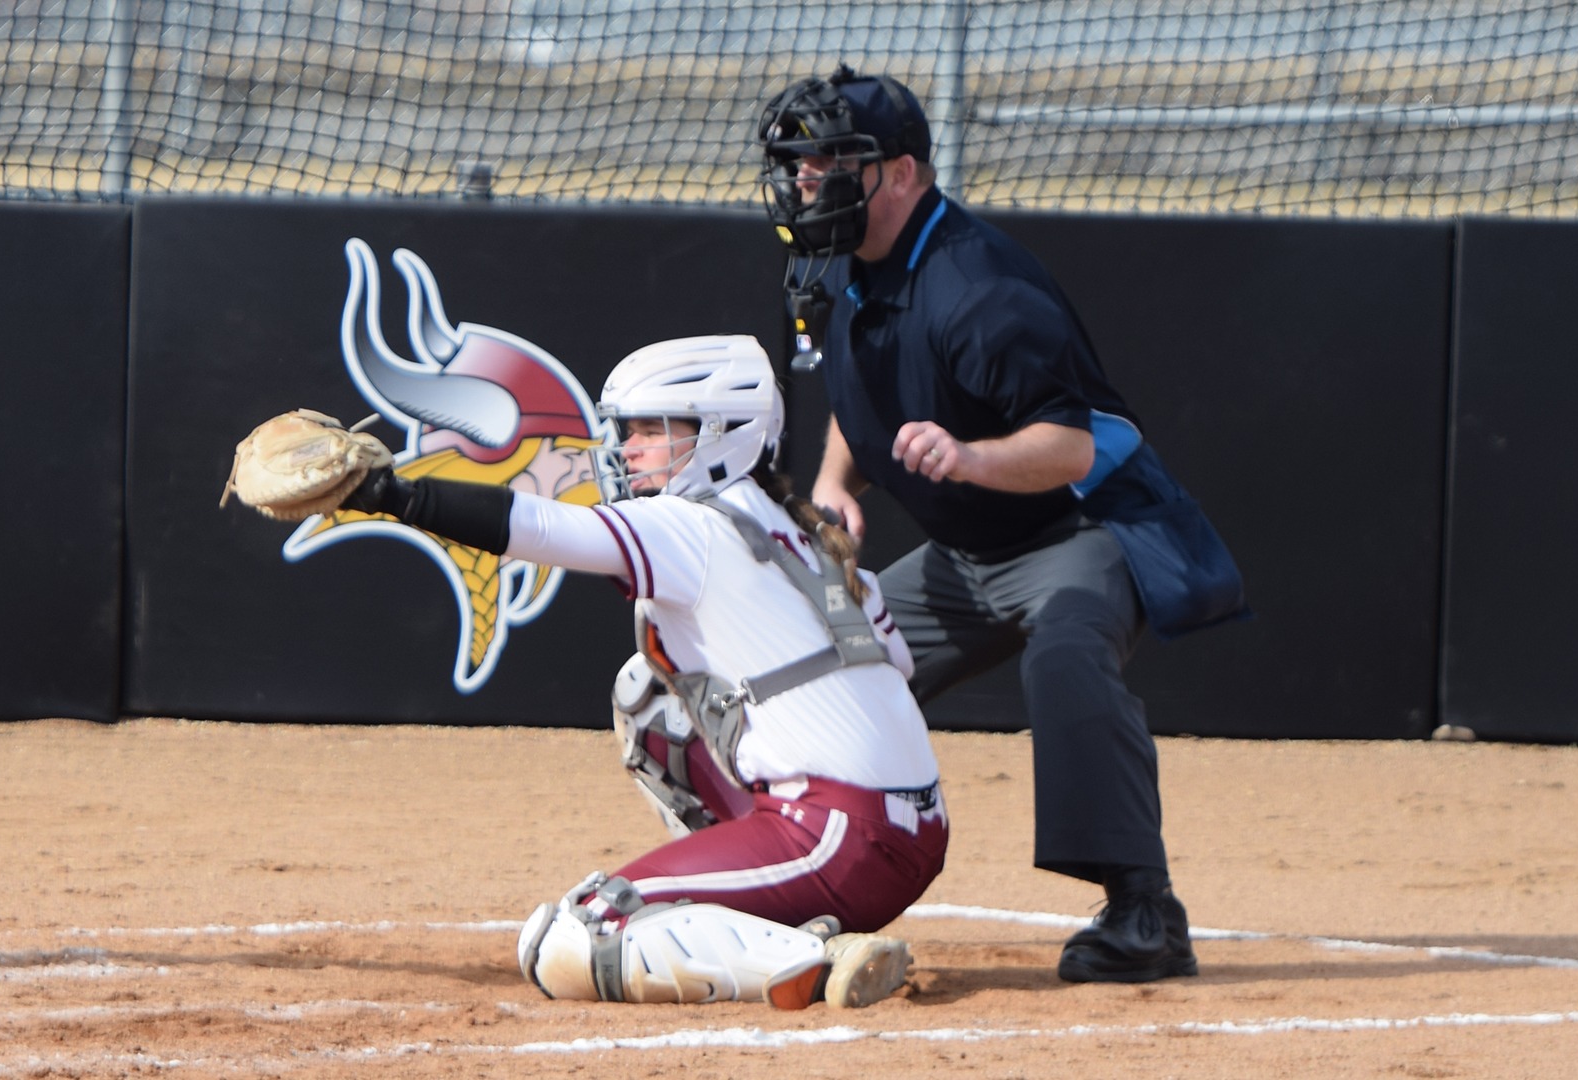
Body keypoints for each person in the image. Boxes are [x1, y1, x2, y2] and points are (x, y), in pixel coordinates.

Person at [756, 66, 1248, 985]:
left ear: (900, 174)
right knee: (823, 660)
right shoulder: (852, 266)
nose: (809, 184)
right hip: (963, 554)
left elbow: (1070, 447)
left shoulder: (981, 291)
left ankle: (1147, 912)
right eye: (802, 166)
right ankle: (787, 879)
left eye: (832, 165)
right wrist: (834, 481)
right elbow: (864, 404)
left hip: (1082, 534)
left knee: (1064, 657)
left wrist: (973, 458)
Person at [338, 333, 948, 1010]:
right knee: (649, 701)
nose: (627, 448)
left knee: (573, 935)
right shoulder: (801, 528)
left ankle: (820, 958)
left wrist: (389, 493)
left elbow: (539, 527)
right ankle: (769, 910)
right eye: (627, 431)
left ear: (725, 435)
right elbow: (898, 667)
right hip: (911, 831)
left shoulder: (691, 522)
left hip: (836, 837)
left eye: (651, 431)